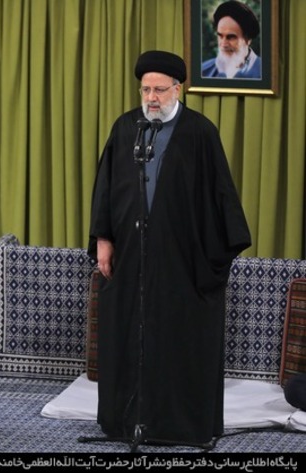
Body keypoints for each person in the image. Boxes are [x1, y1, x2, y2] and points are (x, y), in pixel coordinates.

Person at [88, 50, 252, 446]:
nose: (151, 98)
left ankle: (177, 426)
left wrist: (211, 261)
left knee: (177, 340)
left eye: (160, 90)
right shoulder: (126, 127)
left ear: (178, 89)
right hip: (131, 254)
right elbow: (106, 187)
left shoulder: (199, 132)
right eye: (146, 89)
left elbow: (221, 199)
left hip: (182, 259)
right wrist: (103, 239)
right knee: (128, 333)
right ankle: (126, 422)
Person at [201, 1, 261, 79]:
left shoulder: (266, 74)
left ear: (248, 39)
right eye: (220, 36)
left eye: (231, 37)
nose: (223, 44)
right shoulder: (204, 71)